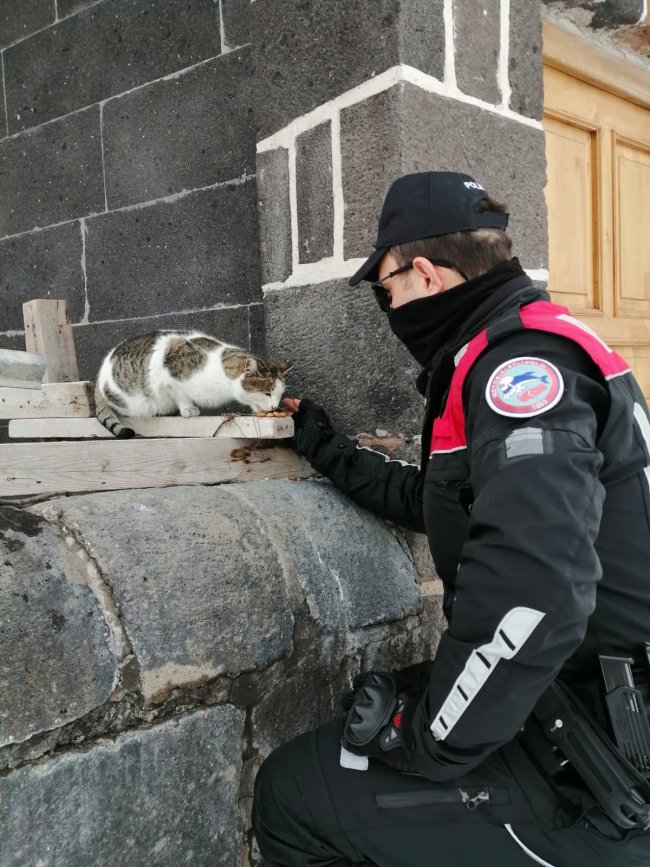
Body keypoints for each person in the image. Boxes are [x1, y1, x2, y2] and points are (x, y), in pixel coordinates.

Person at [252, 171, 650, 866]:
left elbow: (538, 589)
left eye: (387, 287)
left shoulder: (521, 370)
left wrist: (428, 737)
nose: (389, 304)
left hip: (600, 765)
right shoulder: (522, 342)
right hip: (564, 697)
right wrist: (321, 442)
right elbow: (437, 495)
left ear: (428, 275)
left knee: (290, 795)